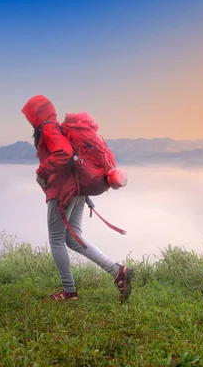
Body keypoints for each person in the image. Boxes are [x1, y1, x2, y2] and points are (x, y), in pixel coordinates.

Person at [21, 95, 134, 302]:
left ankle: (69, 291)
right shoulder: (58, 128)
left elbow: (64, 154)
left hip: (64, 191)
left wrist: (41, 172)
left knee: (57, 240)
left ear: (34, 114)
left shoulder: (48, 128)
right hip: (77, 189)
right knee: (73, 238)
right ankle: (117, 271)